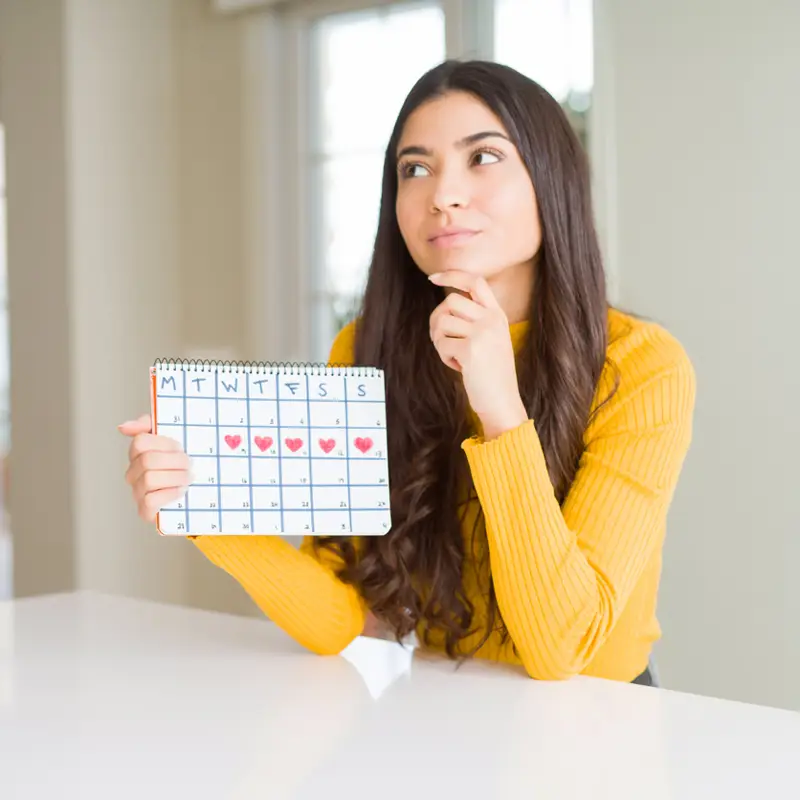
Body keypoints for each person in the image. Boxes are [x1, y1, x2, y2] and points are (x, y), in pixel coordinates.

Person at [120, 60, 696, 684]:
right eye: (414, 169)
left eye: (483, 157)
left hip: (605, 726)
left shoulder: (642, 365)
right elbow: (345, 612)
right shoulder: (368, 348)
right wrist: (201, 506)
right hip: (441, 713)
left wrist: (499, 404)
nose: (442, 195)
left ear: (550, 179)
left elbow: (561, 649)